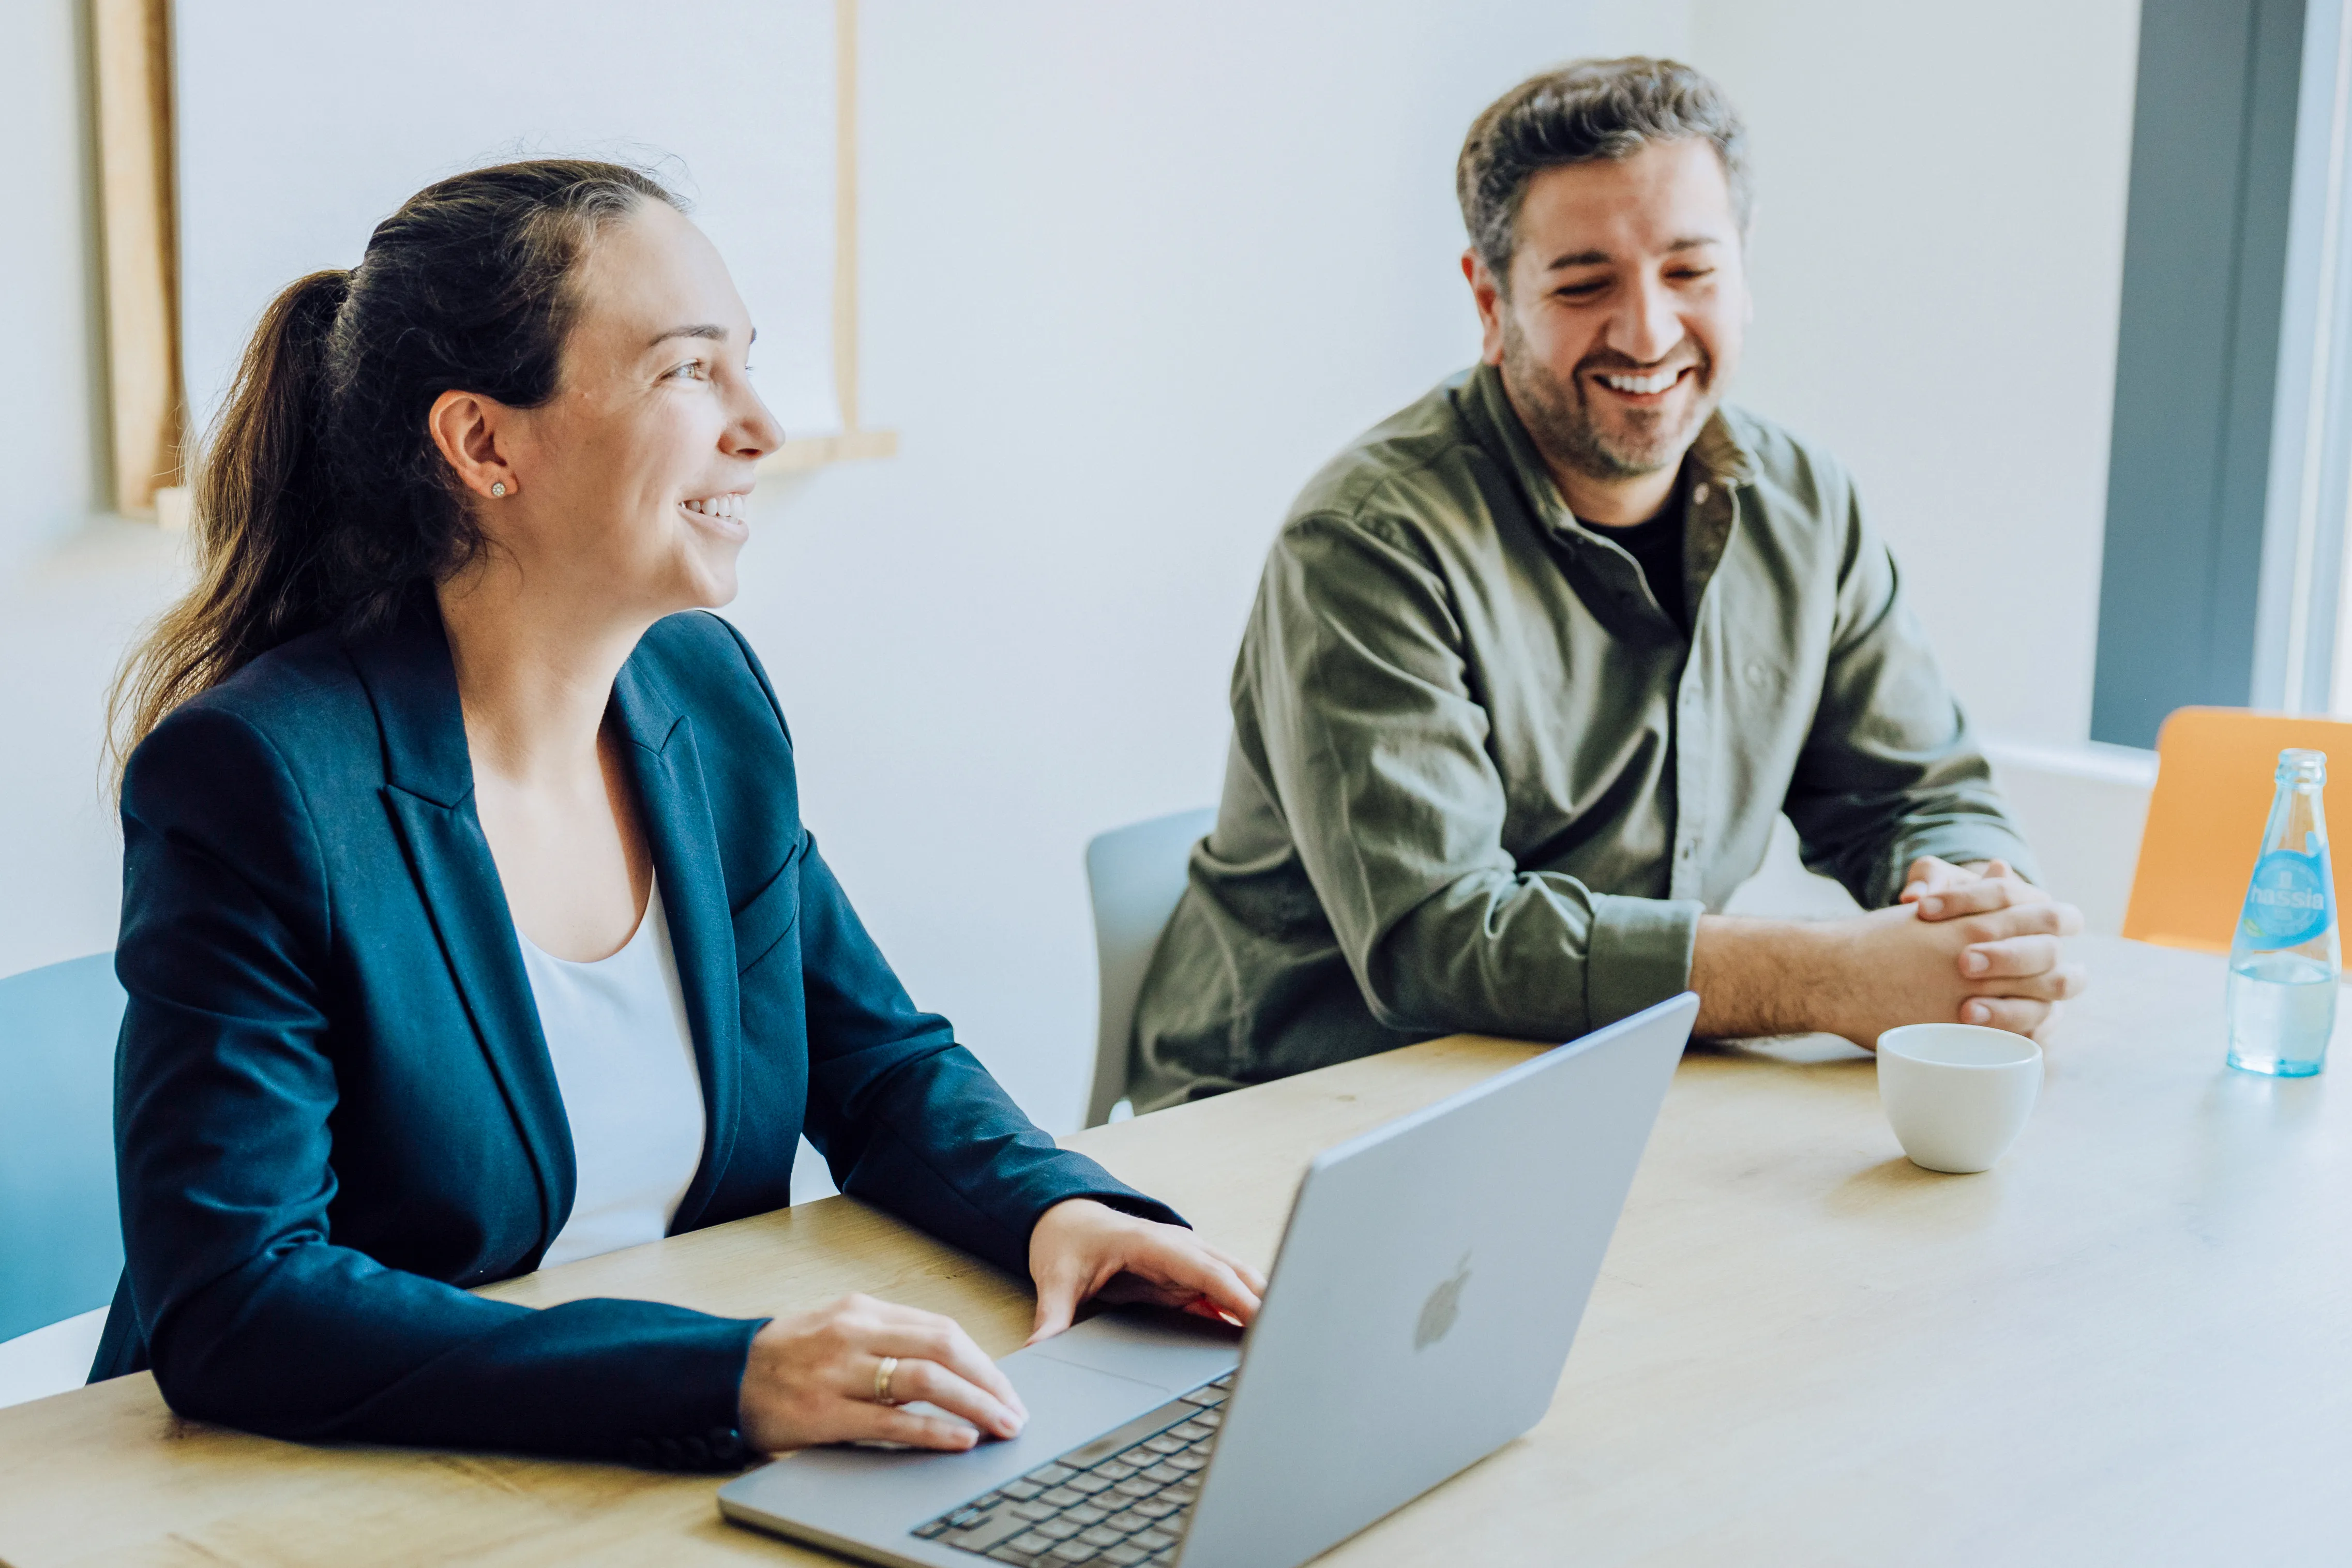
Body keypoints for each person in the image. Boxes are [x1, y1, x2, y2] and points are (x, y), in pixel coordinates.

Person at [95, 160, 1260, 1468]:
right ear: (484, 444)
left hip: (643, 1471)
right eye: (689, 372)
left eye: (745, 364)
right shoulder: (257, 781)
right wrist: (728, 1376)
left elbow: (875, 1062)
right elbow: (238, 1304)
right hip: (341, 1492)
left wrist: (1061, 1208)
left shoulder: (704, 702)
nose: (761, 426)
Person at [1132, 59, 2087, 1109]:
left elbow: (1918, 791)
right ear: (1490, 302)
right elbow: (1441, 941)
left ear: (1744, 268)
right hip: (1307, 1116)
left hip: (1613, 1090)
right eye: (1585, 284)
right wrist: (1833, 978)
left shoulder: (1807, 504)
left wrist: (1974, 915)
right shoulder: (1363, 540)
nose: (1647, 332)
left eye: (1691, 271)